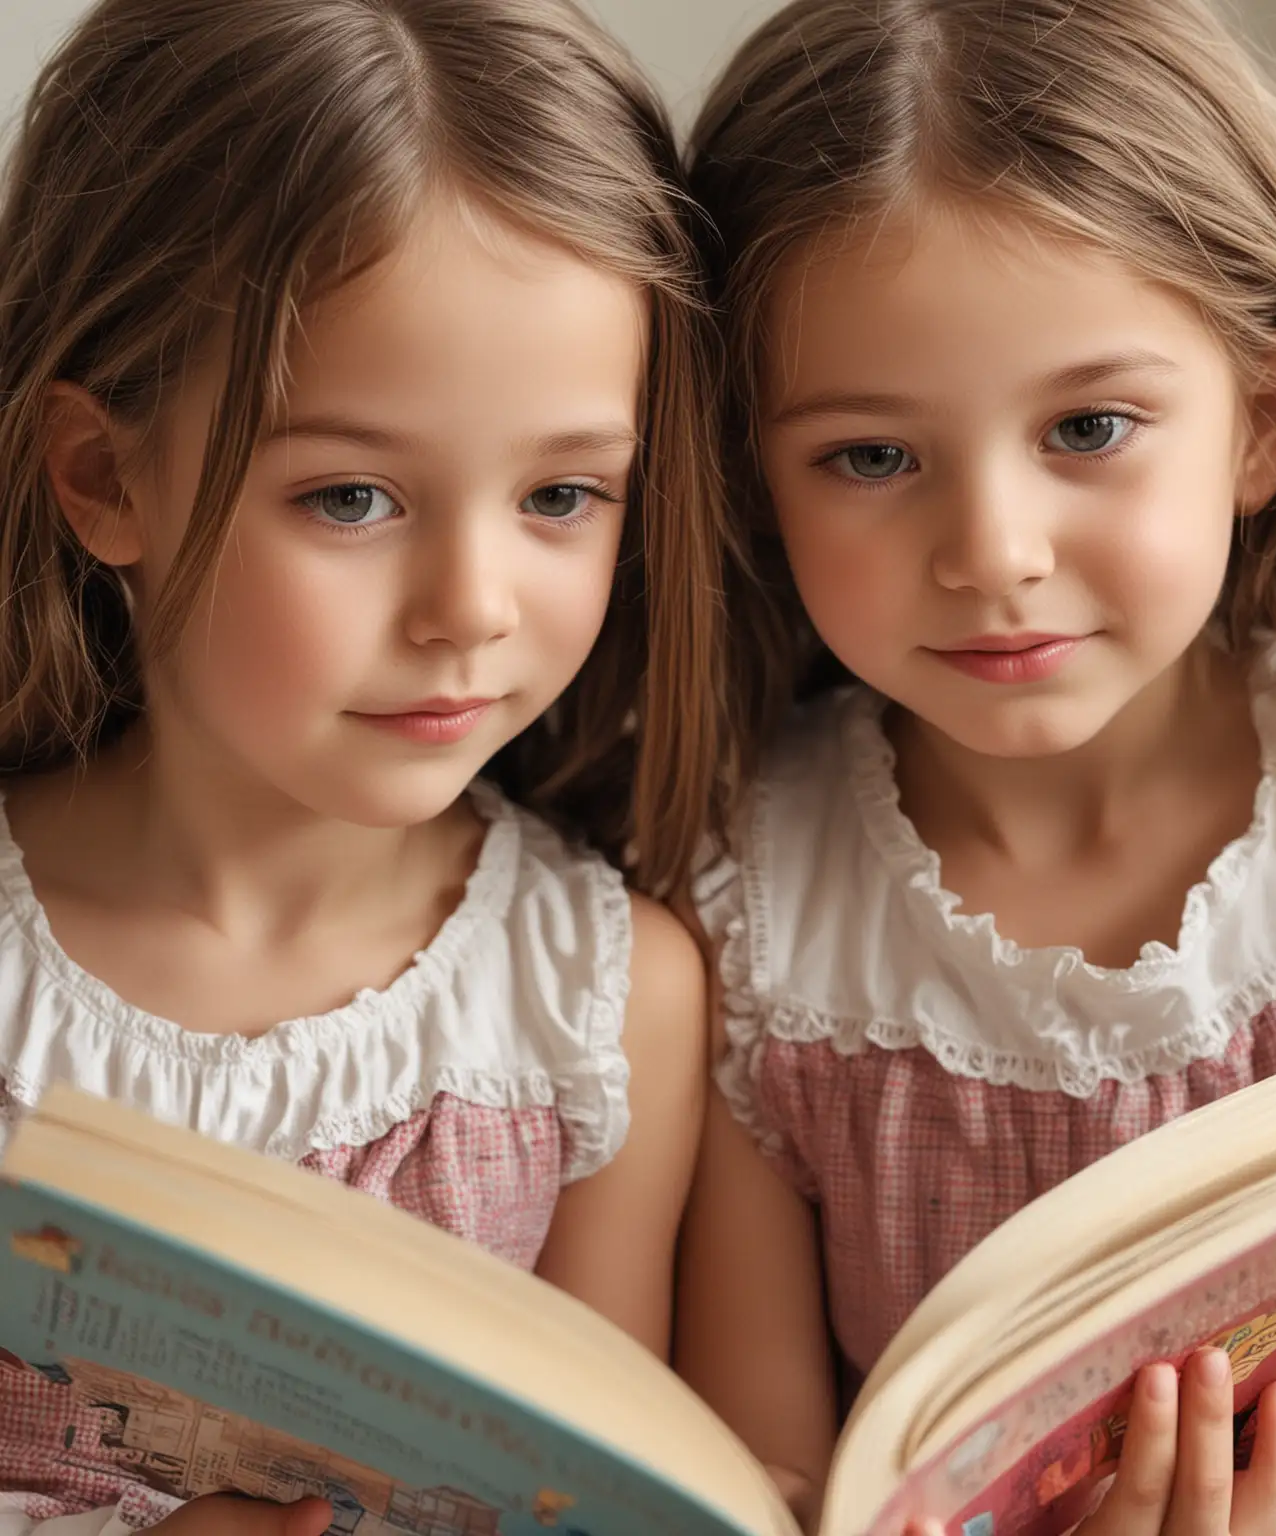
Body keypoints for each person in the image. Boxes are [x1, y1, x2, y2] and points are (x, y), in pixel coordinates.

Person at [677, 1, 1276, 1531]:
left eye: (1088, 427)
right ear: (753, 472)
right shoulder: (750, 904)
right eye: (871, 457)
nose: (993, 556)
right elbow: (773, 1484)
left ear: (1265, 424)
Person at [0, 1, 730, 1531]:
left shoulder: (599, 1006)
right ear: (104, 476)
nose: (471, 607)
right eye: (349, 498)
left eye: (561, 495)